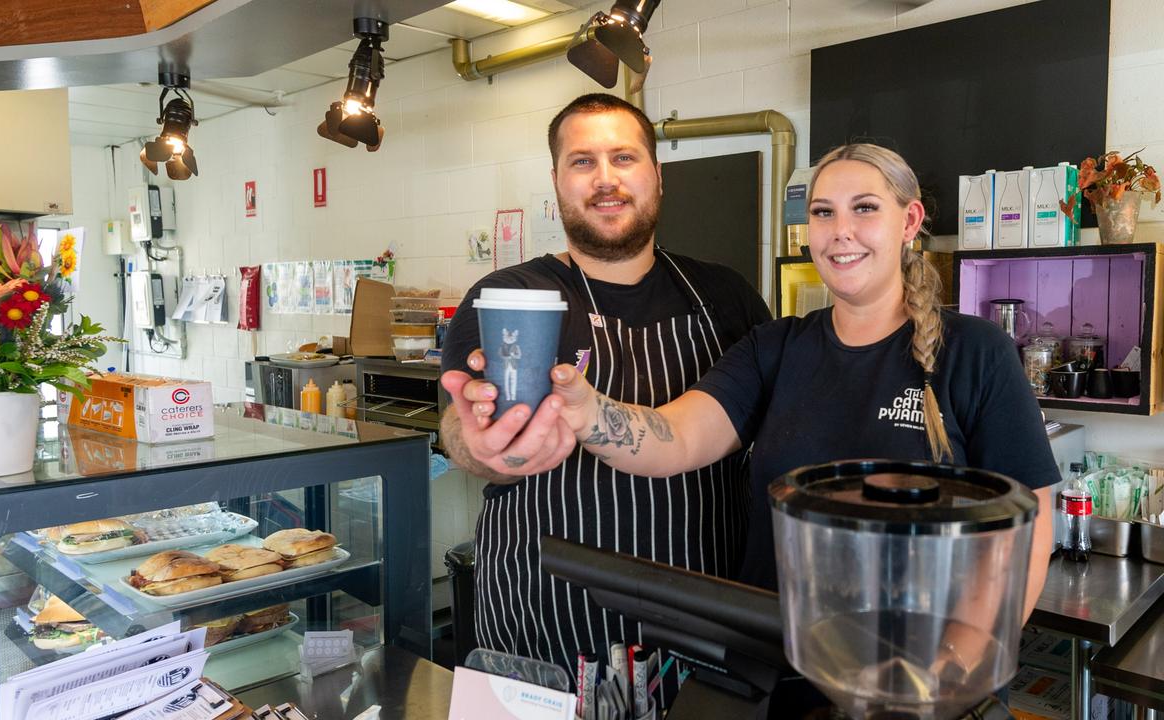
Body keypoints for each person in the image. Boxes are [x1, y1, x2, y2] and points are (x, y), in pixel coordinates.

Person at [453, 142, 1056, 620]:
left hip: (917, 670)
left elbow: (1029, 526)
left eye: (864, 208)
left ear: (910, 221)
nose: (840, 231)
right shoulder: (777, 346)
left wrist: (963, 664)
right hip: (778, 662)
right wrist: (588, 411)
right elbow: (677, 436)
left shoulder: (977, 353)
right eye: (824, 213)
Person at [439, 93, 771, 683]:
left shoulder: (726, 295)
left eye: (624, 158)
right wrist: (478, 445)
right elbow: (461, 425)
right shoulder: (511, 298)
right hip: (545, 625)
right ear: (557, 181)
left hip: (705, 620)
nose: (606, 179)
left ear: (657, 176)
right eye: (583, 162)